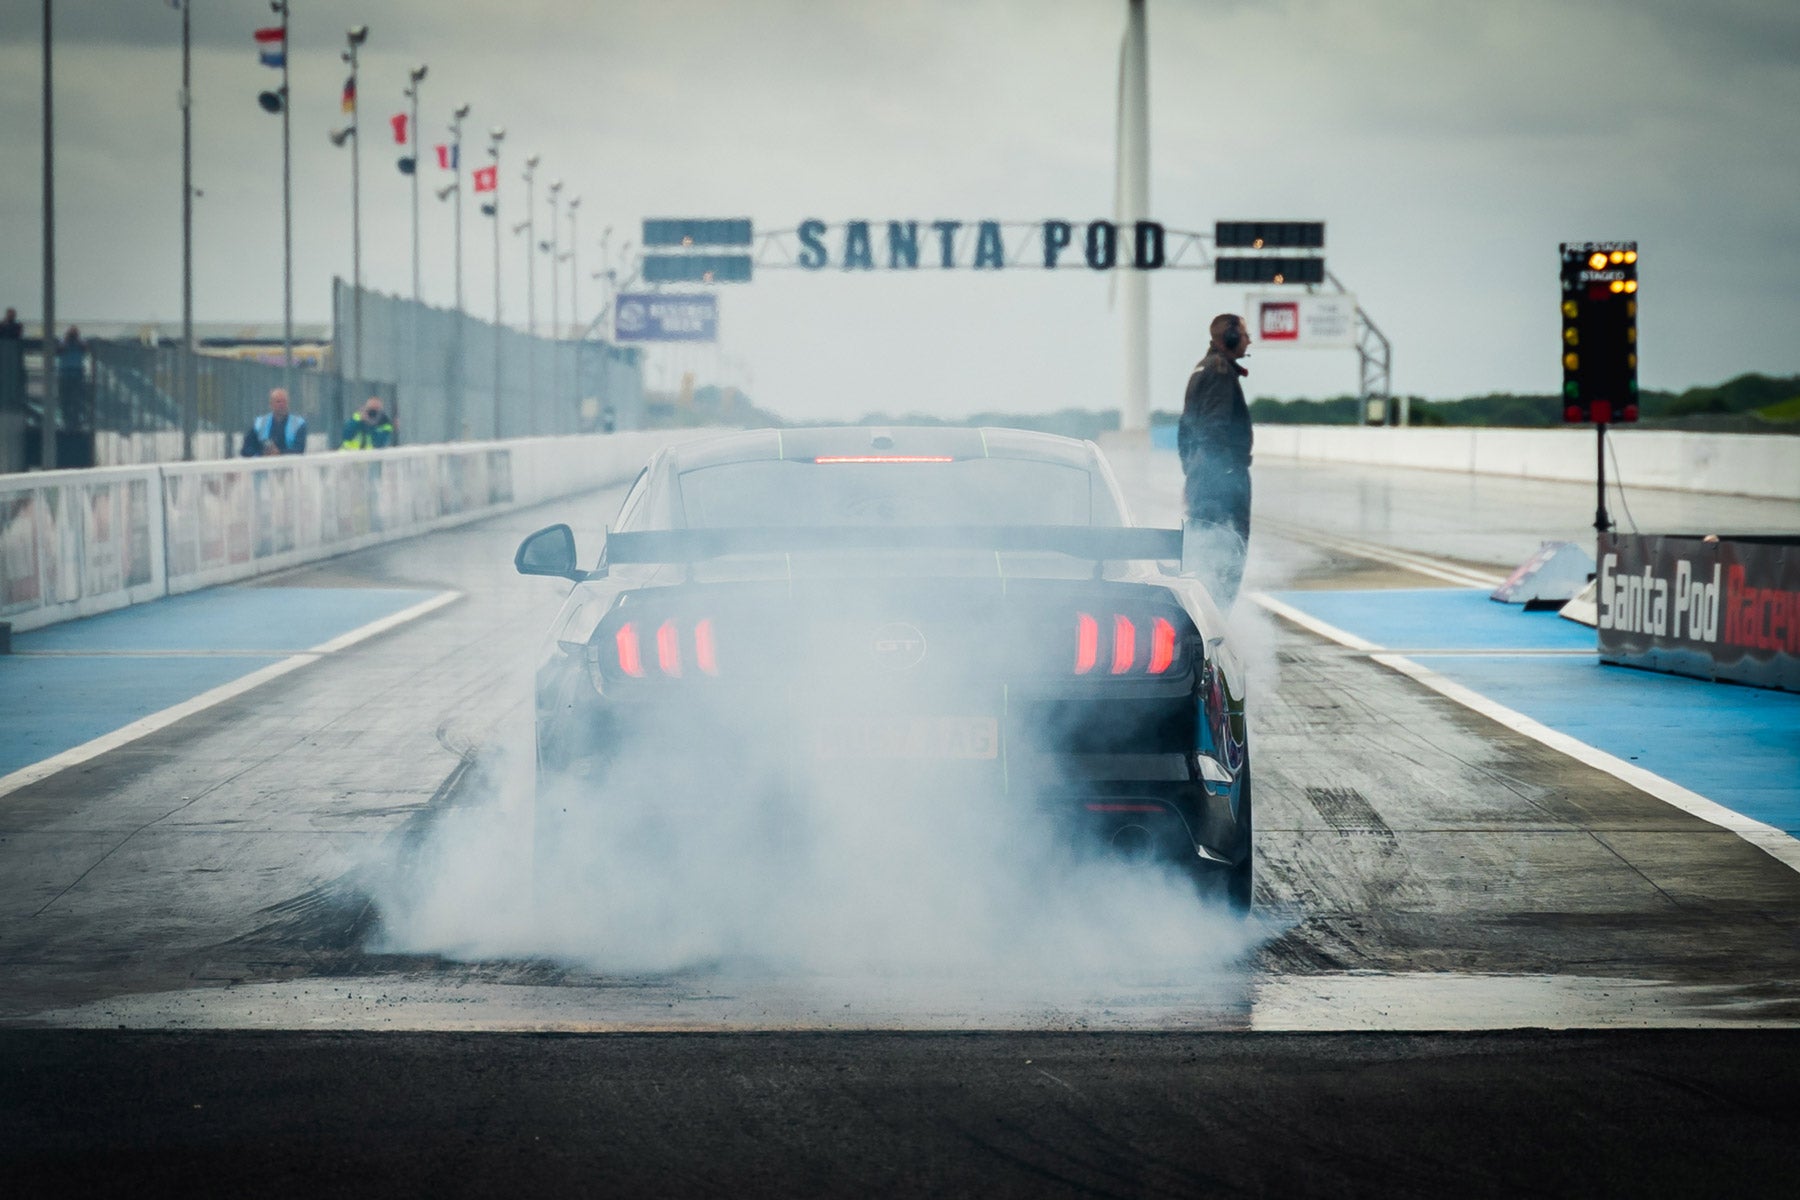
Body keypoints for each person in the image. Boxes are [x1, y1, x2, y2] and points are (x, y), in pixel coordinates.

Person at [1177, 312, 1255, 606]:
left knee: (1204, 558)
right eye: (1245, 334)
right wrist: (1225, 476)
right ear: (1230, 338)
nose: (1249, 340)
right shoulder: (1219, 371)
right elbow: (1213, 428)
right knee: (1225, 560)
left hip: (1204, 477)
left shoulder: (1202, 369)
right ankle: (1215, 632)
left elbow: (1184, 430)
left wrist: (1192, 471)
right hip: (1221, 484)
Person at [241, 386, 308, 456]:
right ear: (271, 404)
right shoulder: (259, 423)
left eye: (284, 401)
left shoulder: (299, 424)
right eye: (278, 402)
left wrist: (279, 453)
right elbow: (246, 450)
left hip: (289, 465)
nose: (282, 405)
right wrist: (262, 454)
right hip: (263, 465)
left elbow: (299, 450)